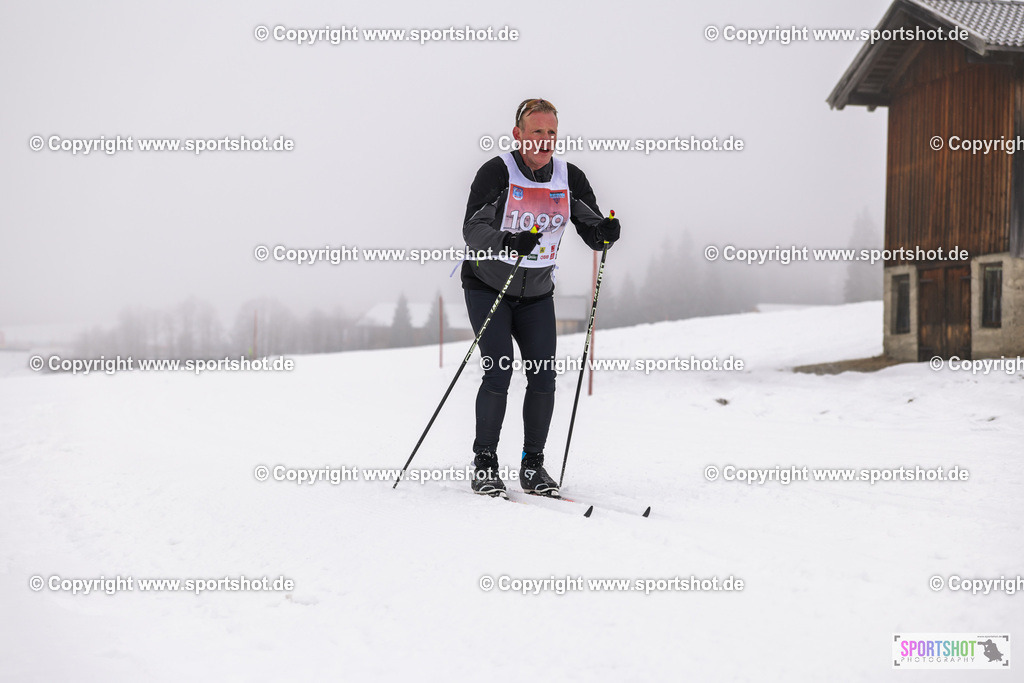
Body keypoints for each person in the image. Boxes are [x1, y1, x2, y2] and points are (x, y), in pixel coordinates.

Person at [461, 98, 621, 498]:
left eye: (551, 133)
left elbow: (590, 225)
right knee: (499, 372)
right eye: (537, 132)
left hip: (536, 294)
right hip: (488, 287)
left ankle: (533, 466)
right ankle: (485, 465)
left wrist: (605, 233)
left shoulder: (568, 177)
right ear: (518, 134)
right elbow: (472, 229)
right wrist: (509, 241)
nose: (545, 141)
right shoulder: (497, 172)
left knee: (543, 377)